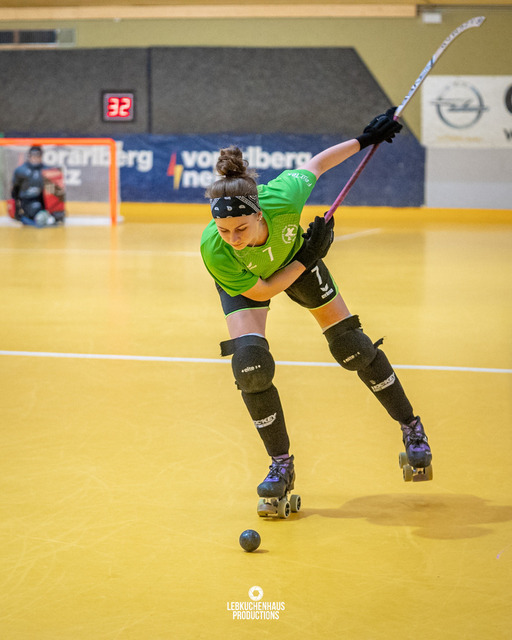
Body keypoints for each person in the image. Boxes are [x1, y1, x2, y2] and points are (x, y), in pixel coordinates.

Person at [200, 108, 433, 512]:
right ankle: (281, 464)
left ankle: (411, 427)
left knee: (352, 348)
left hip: (295, 260)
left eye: (241, 229)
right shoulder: (215, 249)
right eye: (224, 231)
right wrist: (308, 258)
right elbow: (263, 290)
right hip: (272, 274)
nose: (233, 238)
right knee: (251, 367)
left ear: (259, 213)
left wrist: (366, 139)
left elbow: (318, 164)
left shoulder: (283, 197)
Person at [10, 146, 64, 227]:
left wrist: (56, 208)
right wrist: (16, 209)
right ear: (29, 156)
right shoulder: (21, 170)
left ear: (41, 157)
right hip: (27, 201)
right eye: (33, 156)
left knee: (58, 216)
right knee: (34, 211)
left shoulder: (48, 170)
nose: (35, 159)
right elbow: (15, 190)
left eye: (38, 156)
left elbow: (56, 192)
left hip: (43, 202)